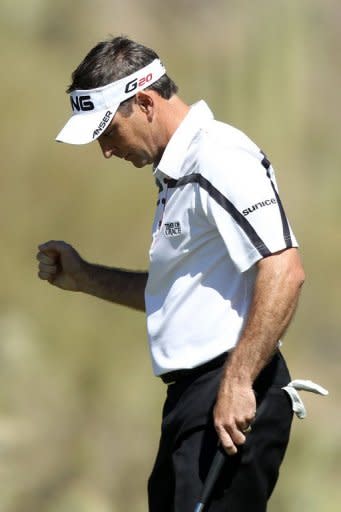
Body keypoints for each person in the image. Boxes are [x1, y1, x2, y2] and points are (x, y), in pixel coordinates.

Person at [37, 36, 305, 511]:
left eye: (108, 131)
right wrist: (84, 277)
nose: (105, 150)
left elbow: (284, 268)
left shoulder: (218, 157)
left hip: (231, 393)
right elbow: (178, 292)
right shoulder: (177, 176)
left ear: (144, 103)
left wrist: (239, 381)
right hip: (192, 401)